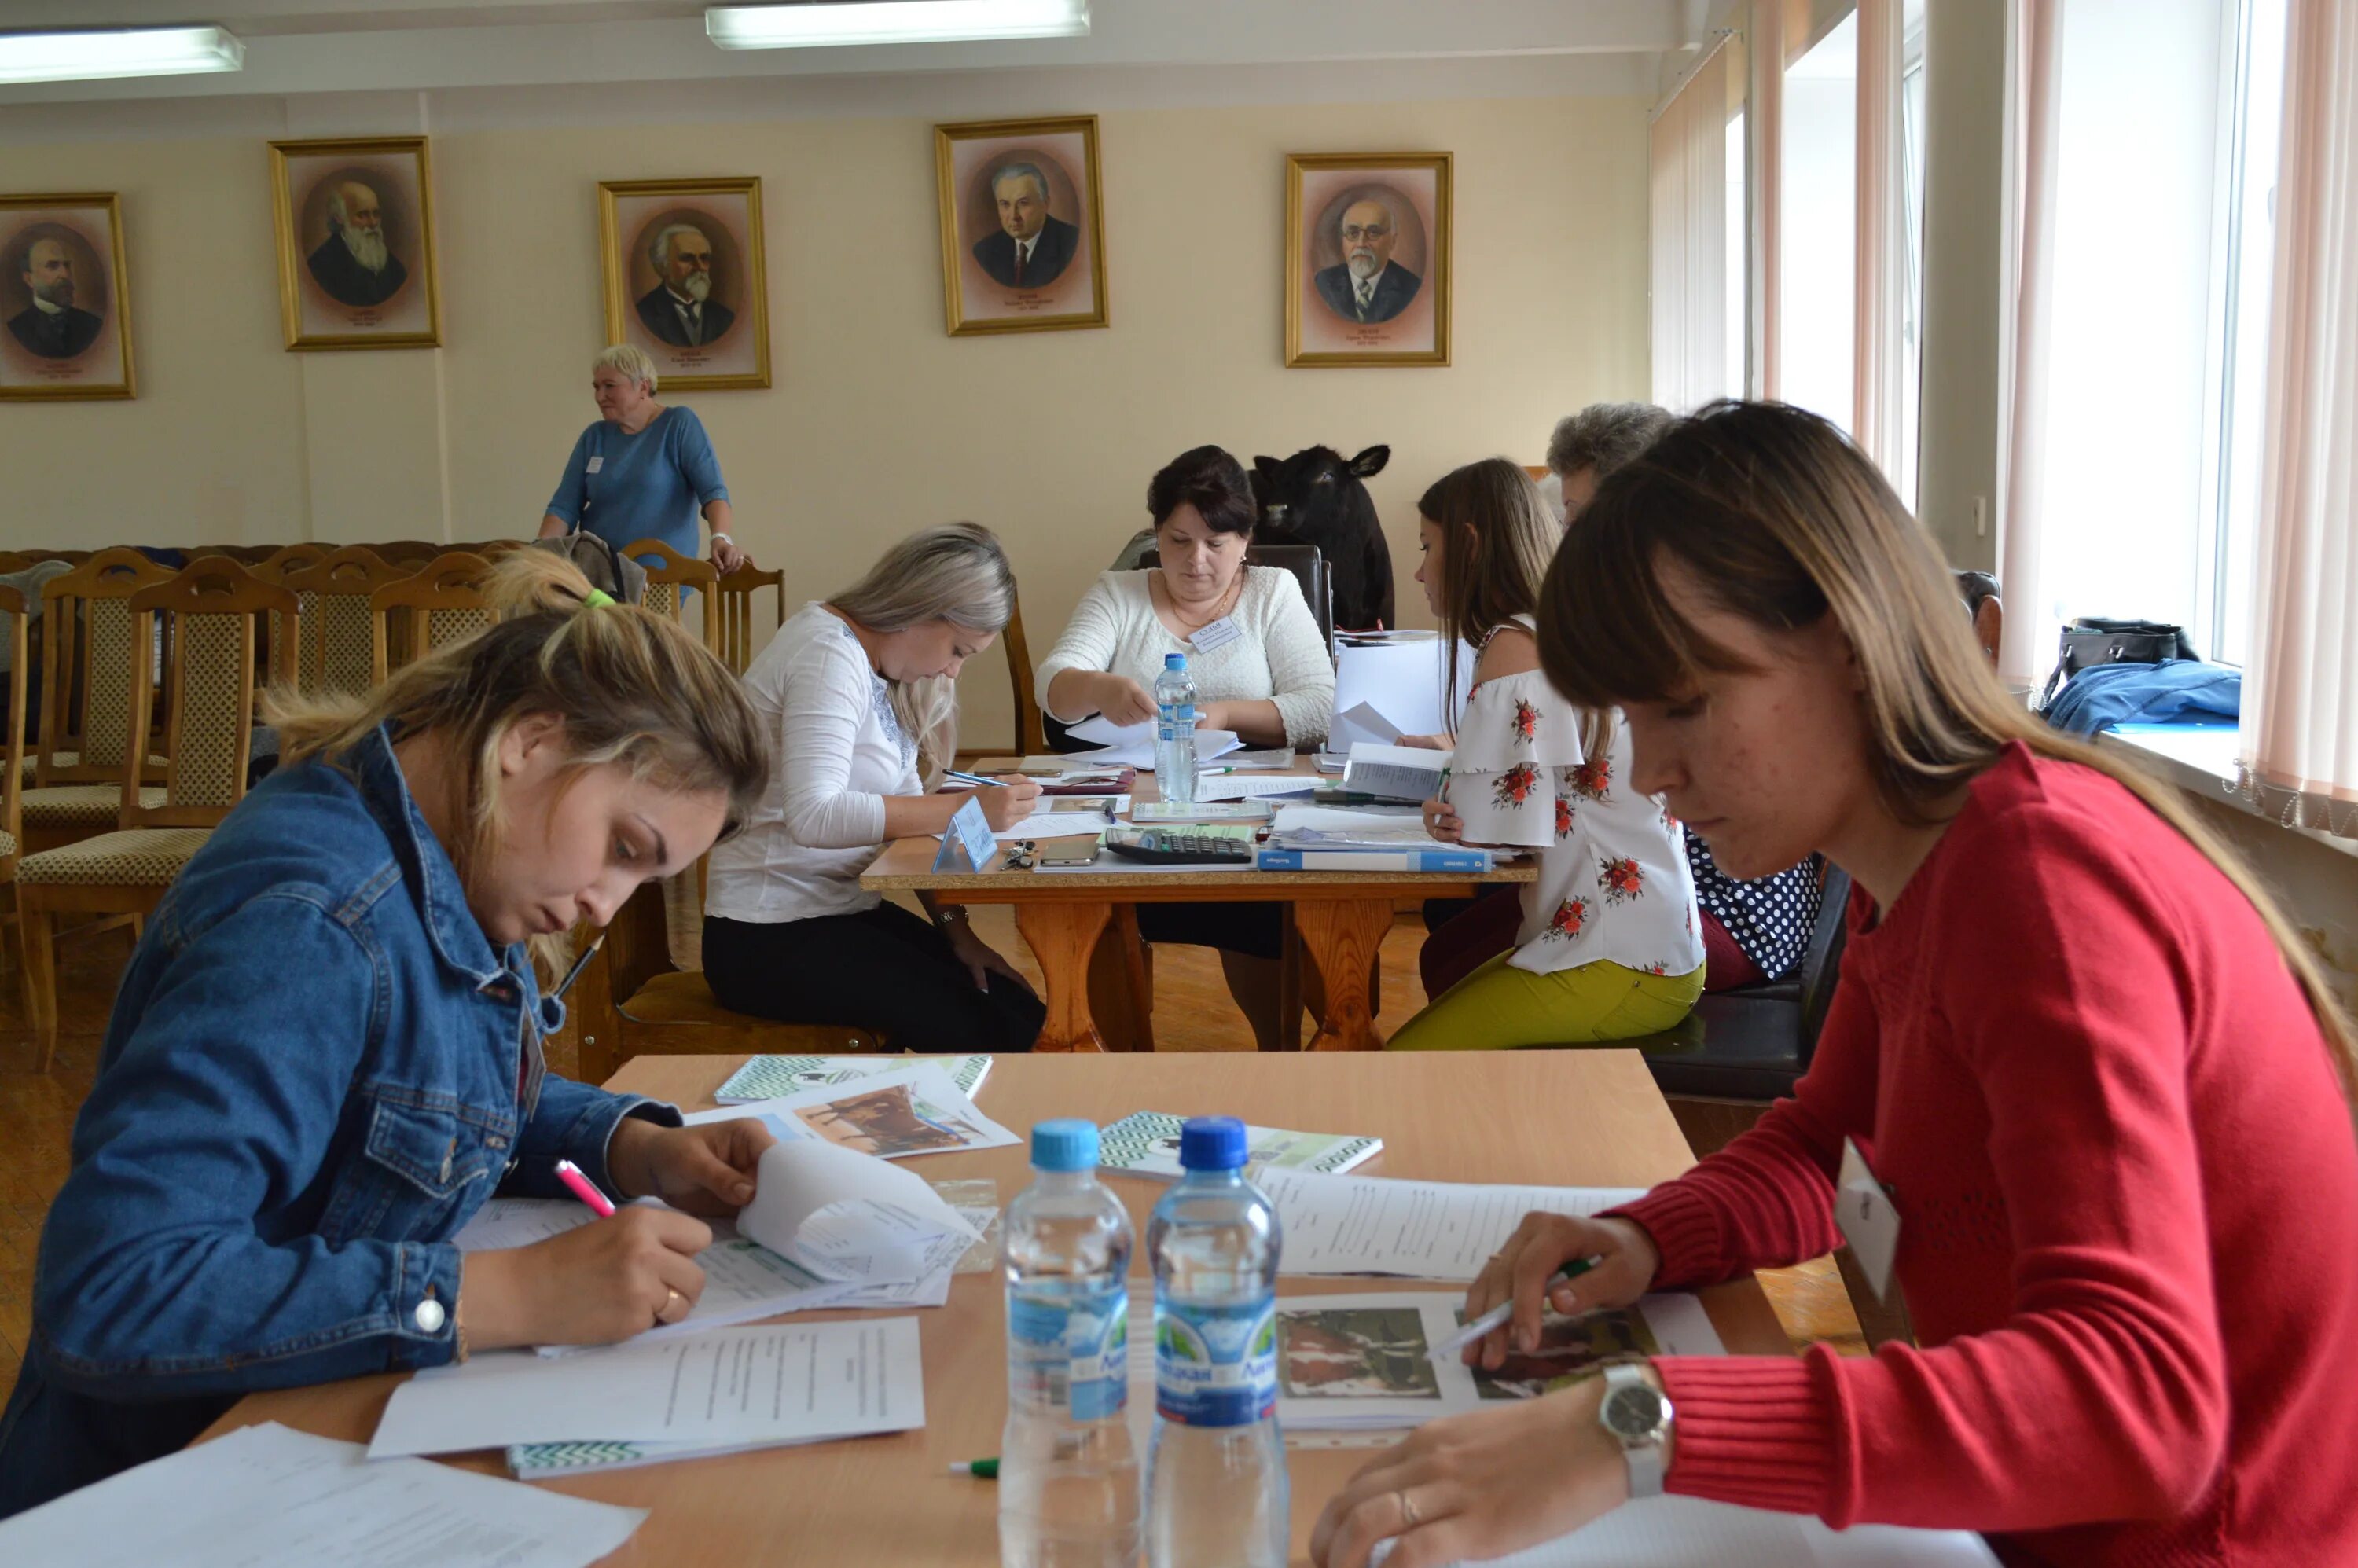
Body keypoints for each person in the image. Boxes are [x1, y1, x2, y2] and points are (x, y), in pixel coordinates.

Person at [1309, 402, 2358, 1568]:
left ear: (1850, 644)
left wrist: (1638, 1421)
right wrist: (1647, 1236)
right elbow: (1826, 1144)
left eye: (1687, 705)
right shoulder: (1912, 865)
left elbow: (2140, 1399)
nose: (1652, 771)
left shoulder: (2044, 884)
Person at [0, 553, 779, 1518]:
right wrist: (508, 1298)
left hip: (294, 1442)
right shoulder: (314, 924)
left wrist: (634, 1144)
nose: (604, 908)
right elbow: (113, 1292)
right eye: (624, 849)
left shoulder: (442, 860)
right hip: (160, 1491)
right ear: (530, 742)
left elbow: (411, 1098)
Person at [1419, 401, 1820, 998]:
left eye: (1581, 519)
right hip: (1660, 885)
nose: (1566, 540)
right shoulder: (1627, 606)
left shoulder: (1677, 615)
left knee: (1460, 950)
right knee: (1450, 942)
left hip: (1726, 909)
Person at [1383, 459, 1702, 1052]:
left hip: (1618, 958)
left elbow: (1492, 832)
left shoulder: (1514, 645)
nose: (1421, 570)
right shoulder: (1568, 624)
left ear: (1472, 545)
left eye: (1429, 546)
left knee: (1401, 1065)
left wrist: (1448, 812)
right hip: (1654, 946)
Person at [703, 523, 1046, 1051]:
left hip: (830, 917)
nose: (952, 671)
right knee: (998, 1030)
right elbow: (815, 815)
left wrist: (960, 933)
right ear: (924, 609)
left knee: (1013, 1004)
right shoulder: (826, 654)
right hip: (765, 937)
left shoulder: (870, 667)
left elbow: (906, 821)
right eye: (958, 649)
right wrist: (963, 811)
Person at [1036, 445, 1336, 1048]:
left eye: (1216, 543)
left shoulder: (1272, 592)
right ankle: (1122, 1058)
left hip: (1249, 807)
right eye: (1178, 541)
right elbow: (1054, 687)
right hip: (1138, 806)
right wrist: (1097, 685)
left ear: (1246, 540)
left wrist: (1222, 715)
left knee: (1255, 908)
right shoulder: (1119, 592)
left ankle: (1276, 1050)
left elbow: (1319, 705)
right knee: (1089, 901)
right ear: (1156, 535)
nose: (1196, 561)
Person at [538, 344, 747, 575]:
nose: (599, 396)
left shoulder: (678, 424)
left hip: (662, 576)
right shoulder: (594, 436)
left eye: (610, 386)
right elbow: (564, 506)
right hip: (598, 574)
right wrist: (539, 554)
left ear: (643, 387)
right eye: (596, 387)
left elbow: (713, 492)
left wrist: (720, 537)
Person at [1313, 196, 1422, 325]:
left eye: (1373, 233)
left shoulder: (1411, 288)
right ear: (1343, 241)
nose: (1361, 243)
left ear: (1392, 241)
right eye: (1353, 233)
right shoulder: (1324, 282)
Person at [972, 162, 1080, 290]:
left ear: (1045, 204)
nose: (1014, 216)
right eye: (1005, 204)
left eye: (1023, 203)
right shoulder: (984, 251)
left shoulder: (1073, 244)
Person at [305, 181, 408, 308]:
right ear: (339, 218)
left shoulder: (395, 268)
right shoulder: (320, 266)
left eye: (376, 214)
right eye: (363, 215)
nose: (373, 223)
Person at [634, 222, 736, 349]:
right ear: (662, 266)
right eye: (687, 258)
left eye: (704, 258)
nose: (700, 267)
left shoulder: (725, 318)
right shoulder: (643, 316)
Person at [7, 235, 103, 358]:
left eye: (67, 265)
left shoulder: (93, 325)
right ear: (29, 279)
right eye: (52, 266)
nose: (65, 274)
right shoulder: (15, 329)